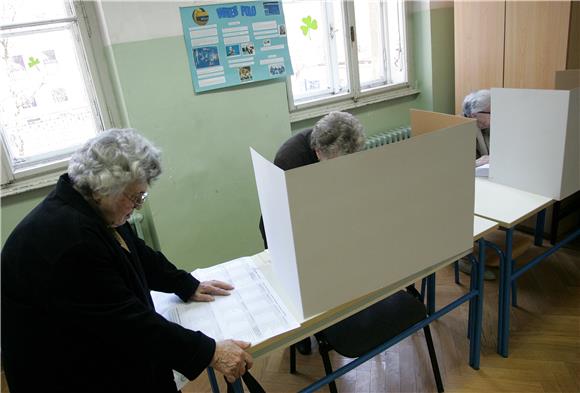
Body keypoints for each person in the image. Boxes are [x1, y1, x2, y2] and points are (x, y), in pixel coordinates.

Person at [1, 129, 253, 393]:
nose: (138, 205)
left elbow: (136, 253)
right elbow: (128, 324)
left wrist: (185, 284)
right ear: (103, 188)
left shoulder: (91, 204)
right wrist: (210, 352)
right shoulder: (72, 241)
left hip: (95, 347)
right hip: (65, 372)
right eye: (135, 197)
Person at [258, 111, 366, 354]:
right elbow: (292, 217)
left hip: (320, 219)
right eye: (337, 162)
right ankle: (300, 334)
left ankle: (330, 323)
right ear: (319, 151)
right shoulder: (290, 160)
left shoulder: (340, 148)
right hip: (283, 226)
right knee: (298, 291)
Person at [461, 89, 496, 280]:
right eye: (491, 113)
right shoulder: (460, 130)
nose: (494, 116)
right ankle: (464, 259)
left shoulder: (484, 128)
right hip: (459, 190)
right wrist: (477, 162)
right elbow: (453, 166)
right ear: (475, 114)